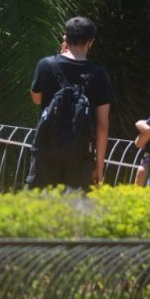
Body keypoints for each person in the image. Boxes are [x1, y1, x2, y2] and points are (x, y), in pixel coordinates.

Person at [28, 16, 113, 190]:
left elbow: (37, 100)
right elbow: (102, 125)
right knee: (73, 210)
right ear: (91, 42)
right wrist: (99, 166)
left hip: (46, 151)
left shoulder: (45, 65)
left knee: (41, 208)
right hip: (80, 157)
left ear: (65, 38)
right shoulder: (99, 75)